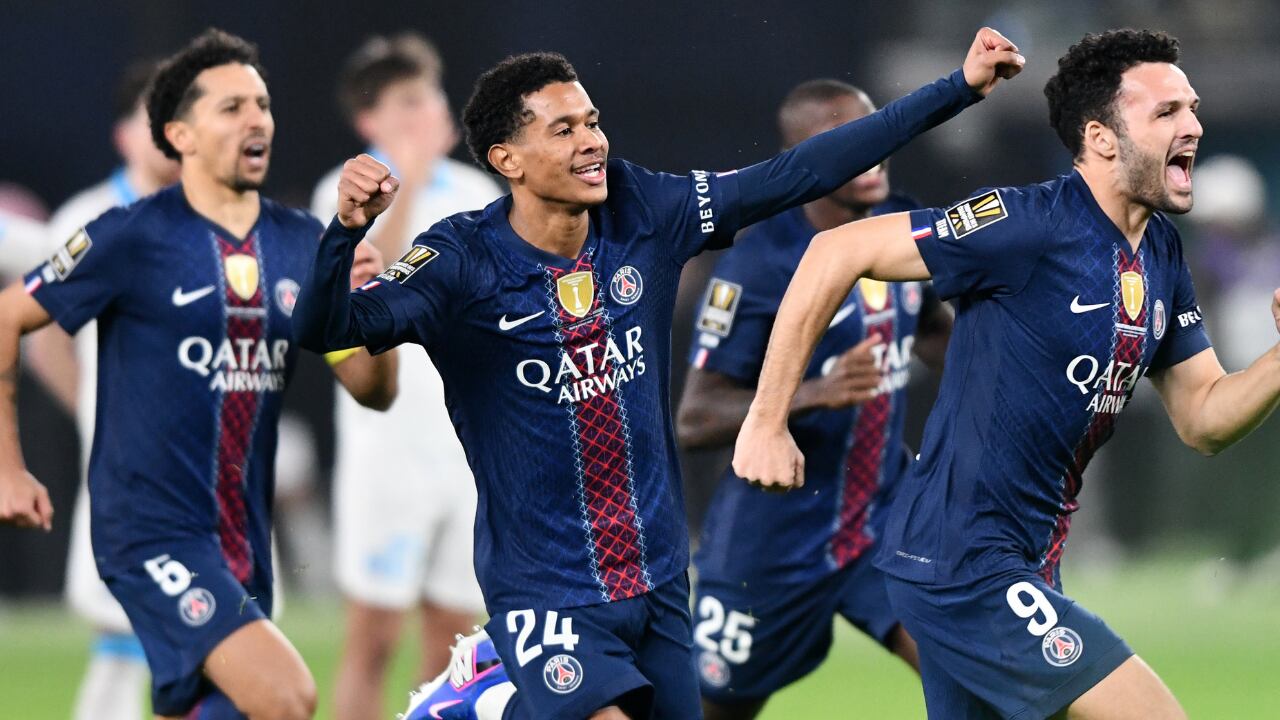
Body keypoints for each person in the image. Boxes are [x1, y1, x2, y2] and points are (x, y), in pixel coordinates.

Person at [295, 30, 1022, 720]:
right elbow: (329, 330)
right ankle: (495, 699)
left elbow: (803, 170)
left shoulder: (644, 210)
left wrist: (957, 89)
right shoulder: (461, 260)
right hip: (548, 594)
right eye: (564, 129)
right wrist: (343, 238)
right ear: (507, 158)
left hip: (660, 581)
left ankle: (500, 705)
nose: (592, 141)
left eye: (592, 120)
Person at [732, 29, 1280, 719]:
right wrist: (766, 419)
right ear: (1102, 138)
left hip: (1016, 562)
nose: (1193, 124)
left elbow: (1203, 418)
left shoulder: (1161, 254)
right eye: (1166, 112)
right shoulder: (1028, 225)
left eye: (1191, 107)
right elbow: (835, 251)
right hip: (962, 564)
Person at [0, 29, 396, 720]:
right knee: (287, 695)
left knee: (226, 711)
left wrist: (372, 310)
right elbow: (7, 316)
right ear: (178, 134)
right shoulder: (128, 235)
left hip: (243, 535)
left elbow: (372, 389)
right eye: (232, 106)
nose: (257, 119)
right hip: (149, 530)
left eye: (263, 104)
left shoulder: (304, 243)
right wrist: (6, 465)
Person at [675, 79, 953, 719]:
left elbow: (937, 333)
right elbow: (696, 418)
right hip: (771, 545)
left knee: (967, 672)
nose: (871, 155)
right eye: (846, 144)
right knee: (714, 710)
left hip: (885, 523)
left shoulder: (899, 229)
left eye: (873, 136)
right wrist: (816, 392)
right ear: (806, 162)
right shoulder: (758, 266)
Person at [309, 33, 501, 720]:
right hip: (385, 453)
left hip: (465, 447)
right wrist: (407, 175)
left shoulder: (480, 190)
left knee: (453, 643)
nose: (431, 112)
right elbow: (367, 300)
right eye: (409, 101)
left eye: (433, 96)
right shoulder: (343, 192)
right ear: (370, 121)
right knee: (374, 636)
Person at [19, 59, 182, 720]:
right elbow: (41, 334)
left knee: (216, 640)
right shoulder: (88, 217)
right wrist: (100, 410)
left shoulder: (225, 212)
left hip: (217, 460)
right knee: (123, 634)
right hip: (128, 468)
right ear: (124, 135)